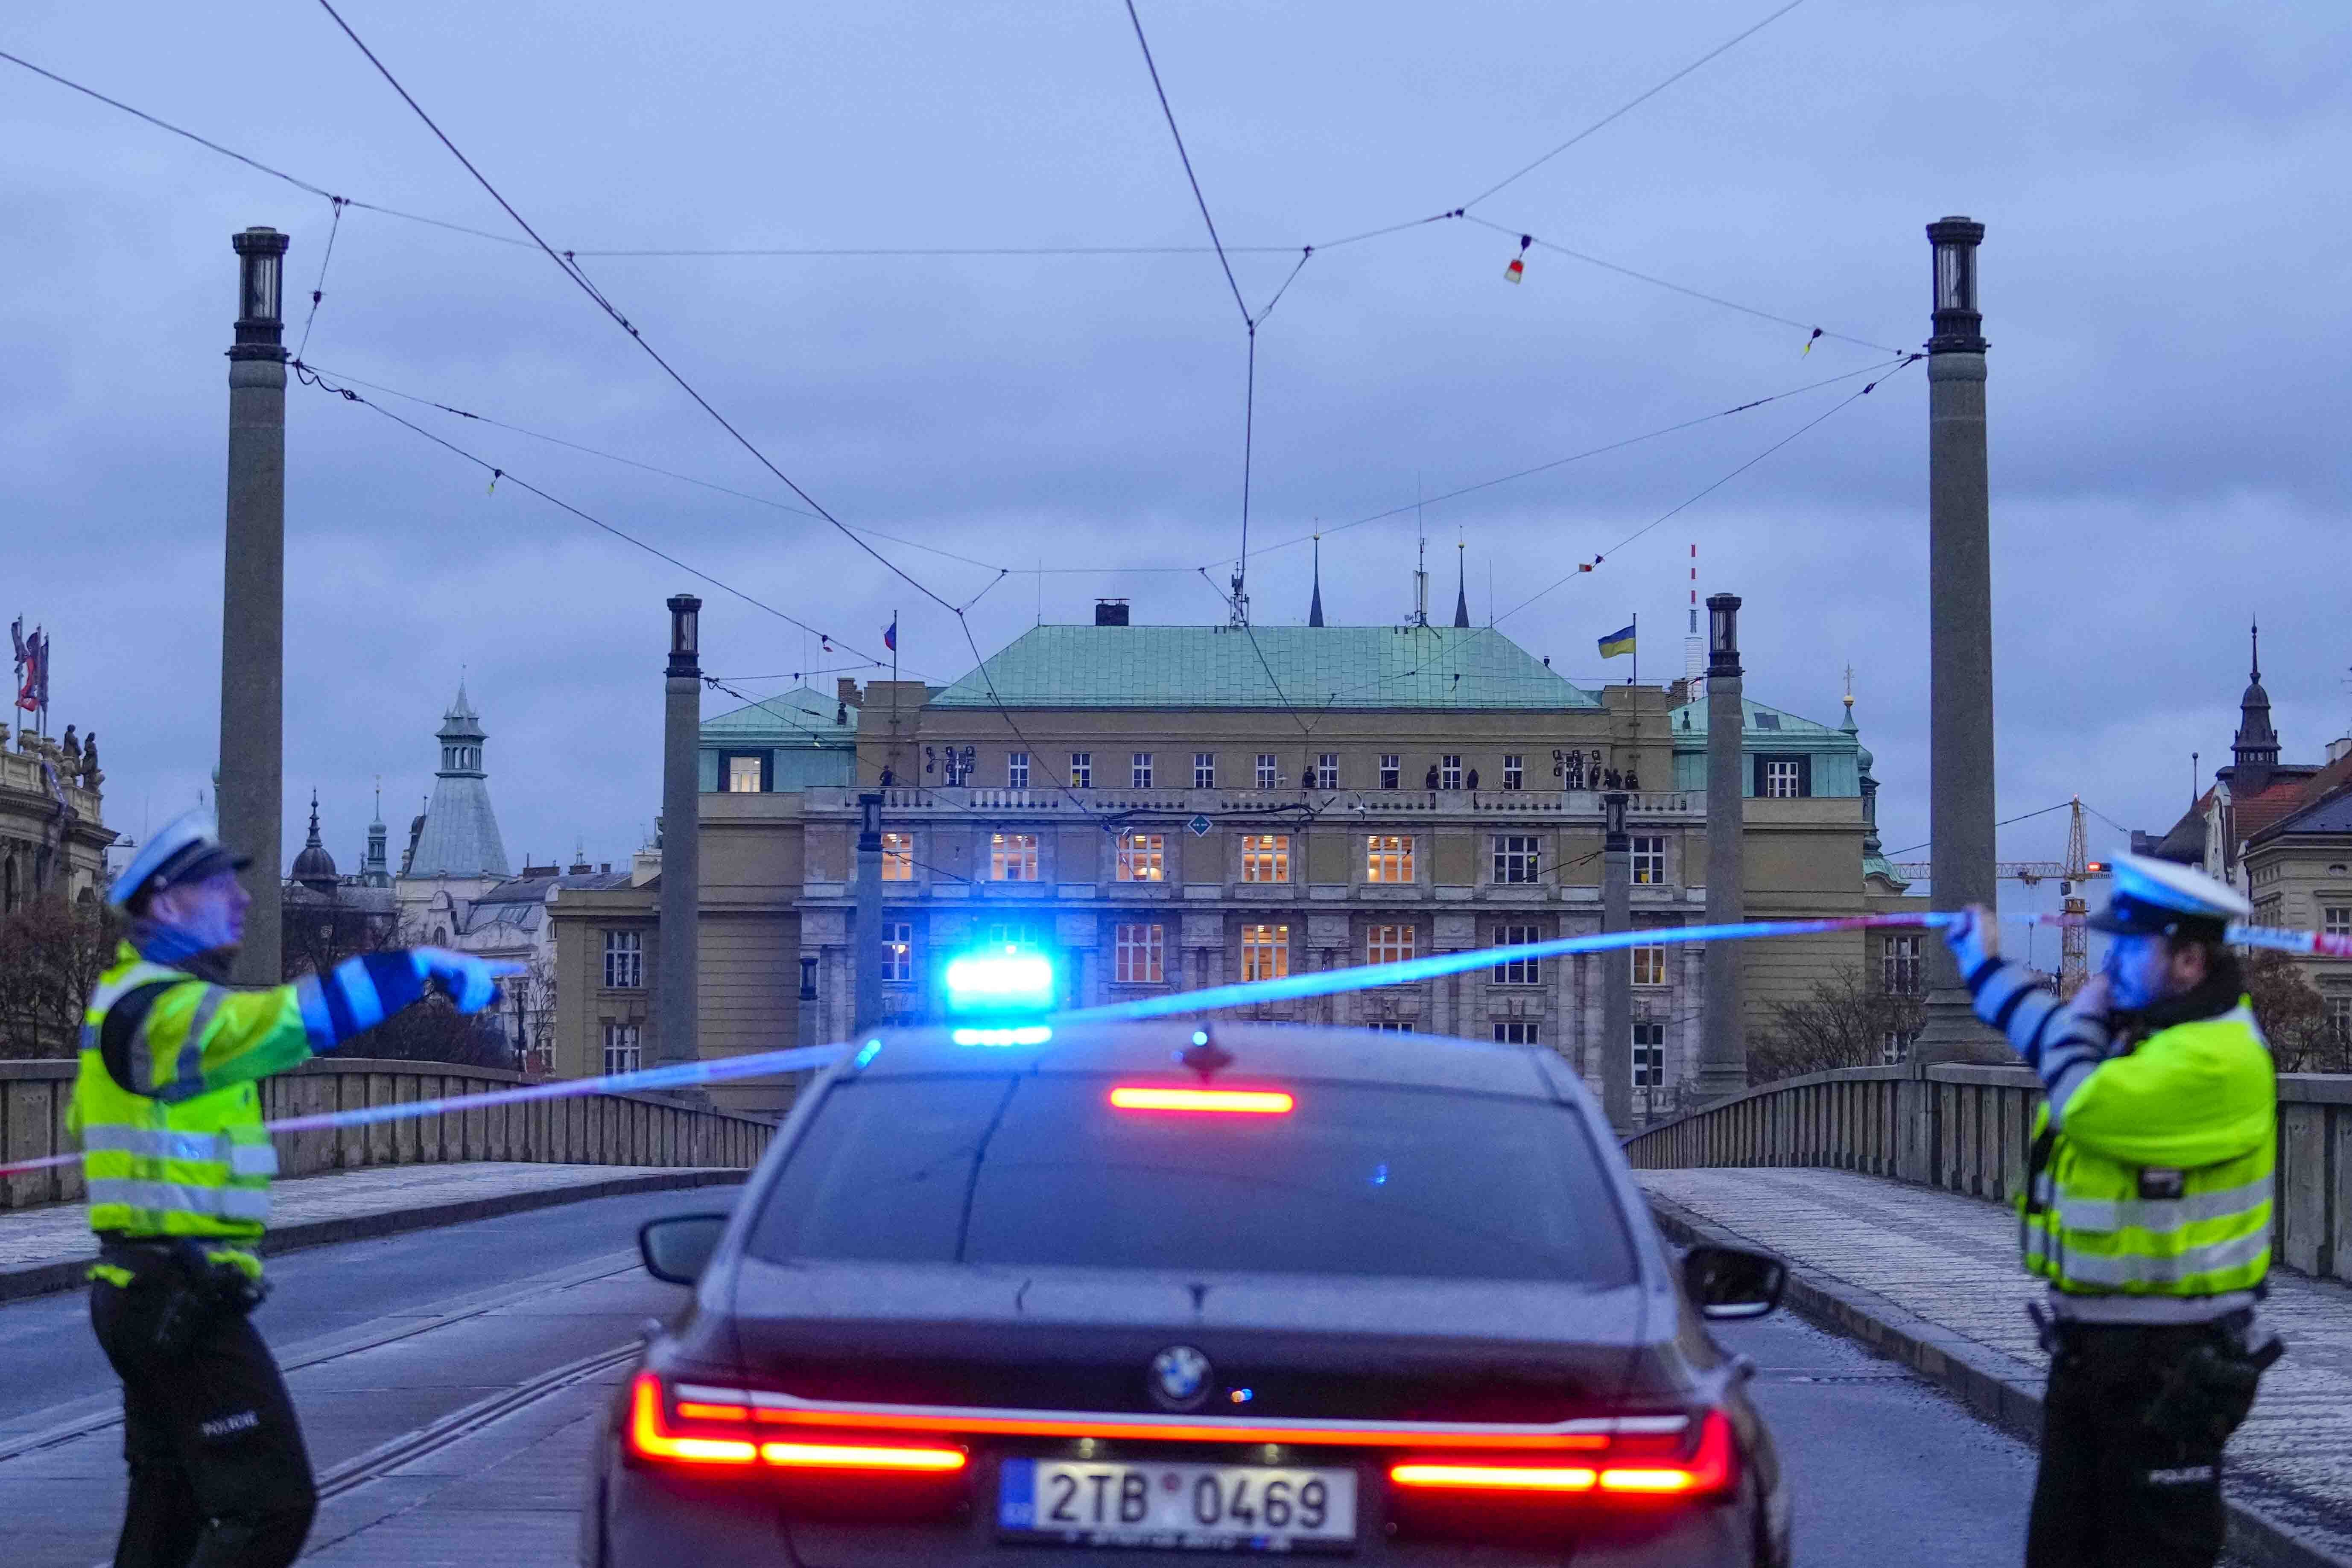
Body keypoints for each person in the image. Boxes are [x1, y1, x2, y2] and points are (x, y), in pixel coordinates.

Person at [72, 810, 516, 1568]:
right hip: (174, 1294)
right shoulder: (162, 1013)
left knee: (169, 1510)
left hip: (152, 1289)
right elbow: (286, 1021)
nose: (244, 901)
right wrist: (419, 970)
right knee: (271, 1505)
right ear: (169, 905)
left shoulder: (138, 999)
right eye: (220, 887)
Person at [1941, 853, 2282, 1568]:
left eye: (2129, 947)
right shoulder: (2152, 1033)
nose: (2109, 964)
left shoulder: (2214, 1057)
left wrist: (2078, 1010)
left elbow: (2081, 1096)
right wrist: (1986, 968)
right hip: (2095, 1349)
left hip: (2171, 1363)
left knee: (2149, 1555)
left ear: (2187, 960)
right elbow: (2060, 1043)